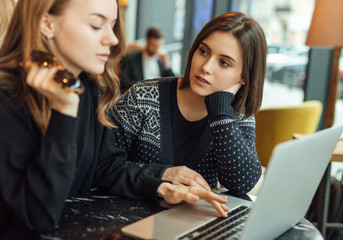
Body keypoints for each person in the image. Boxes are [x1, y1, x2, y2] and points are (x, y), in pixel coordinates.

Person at [0, 0, 229, 239]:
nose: (113, 39)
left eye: (112, 25)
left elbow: (105, 166)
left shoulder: (86, 86)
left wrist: (161, 187)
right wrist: (64, 112)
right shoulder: (8, 98)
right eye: (96, 25)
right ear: (47, 23)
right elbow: (37, 217)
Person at [111, 11, 266, 197]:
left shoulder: (238, 115)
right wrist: (162, 174)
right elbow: (104, 165)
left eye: (224, 63)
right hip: (133, 217)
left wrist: (221, 112)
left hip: (196, 221)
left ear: (244, 77)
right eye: (203, 51)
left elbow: (242, 183)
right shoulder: (142, 97)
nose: (206, 67)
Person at [120, 26, 175, 92]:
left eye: (159, 46)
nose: (156, 49)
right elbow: (123, 82)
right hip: (140, 95)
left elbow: (174, 83)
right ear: (147, 40)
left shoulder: (160, 61)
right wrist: (149, 85)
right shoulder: (131, 58)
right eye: (154, 45)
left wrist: (167, 65)